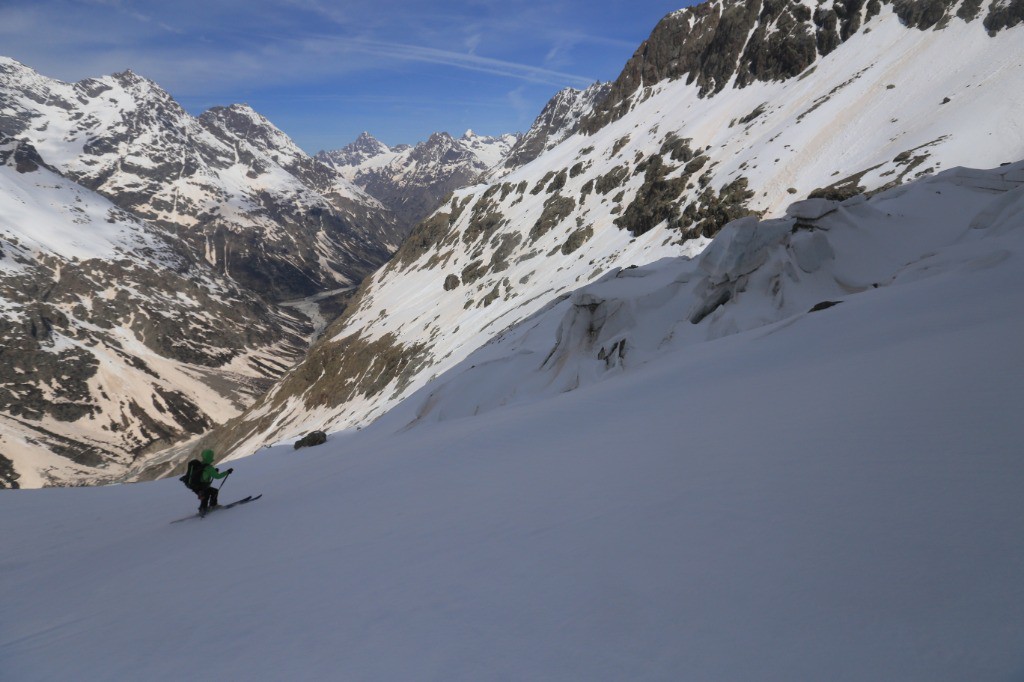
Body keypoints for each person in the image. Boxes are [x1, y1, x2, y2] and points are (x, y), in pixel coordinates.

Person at [192, 449, 233, 515]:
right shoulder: (208, 467)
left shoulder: (201, 464)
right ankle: (204, 509)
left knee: (213, 492)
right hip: (203, 487)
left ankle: (208, 507)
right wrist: (227, 472)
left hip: (197, 487)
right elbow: (218, 476)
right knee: (207, 495)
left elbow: (205, 475)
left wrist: (213, 472)